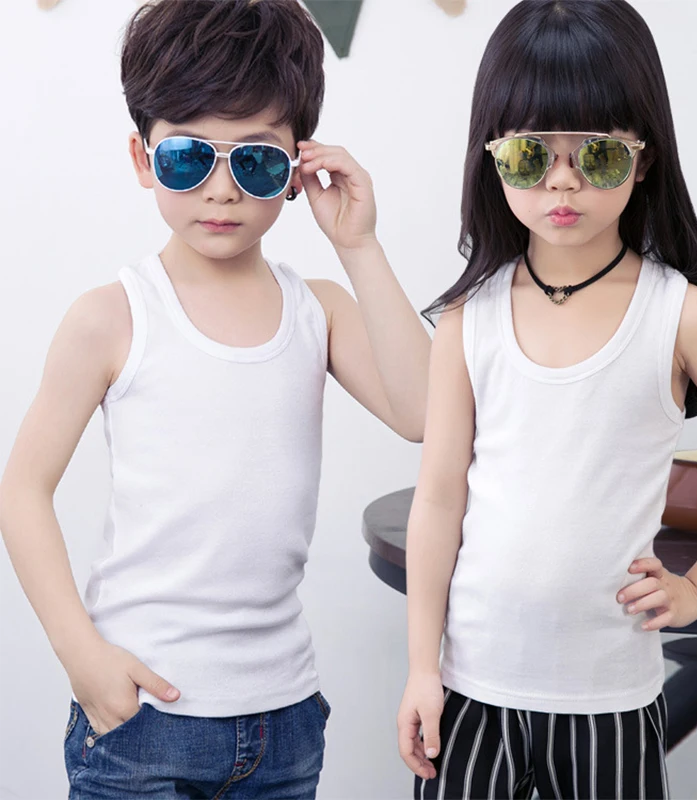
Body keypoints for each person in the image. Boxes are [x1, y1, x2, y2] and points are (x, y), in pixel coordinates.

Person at [0, 1, 430, 797]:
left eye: (256, 162)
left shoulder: (321, 310)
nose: (222, 190)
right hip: (139, 719)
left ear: (298, 168)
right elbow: (22, 489)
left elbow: (424, 414)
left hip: (284, 720)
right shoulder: (112, 317)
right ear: (143, 158)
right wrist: (80, 655)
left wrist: (359, 244)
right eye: (188, 158)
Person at [396, 1, 697, 797]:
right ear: (492, 159)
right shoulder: (467, 321)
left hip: (610, 697)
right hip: (472, 689)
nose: (563, 180)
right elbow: (439, 498)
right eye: (530, 155)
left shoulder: (680, 315)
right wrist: (420, 667)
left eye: (599, 155)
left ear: (643, 161)